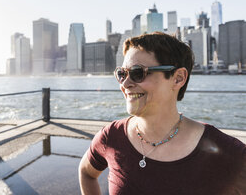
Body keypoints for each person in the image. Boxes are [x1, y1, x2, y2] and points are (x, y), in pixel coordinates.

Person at [78, 32, 246, 195]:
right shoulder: (111, 137)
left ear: (178, 78)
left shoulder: (230, 153)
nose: (126, 83)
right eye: (122, 74)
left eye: (137, 72)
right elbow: (86, 173)